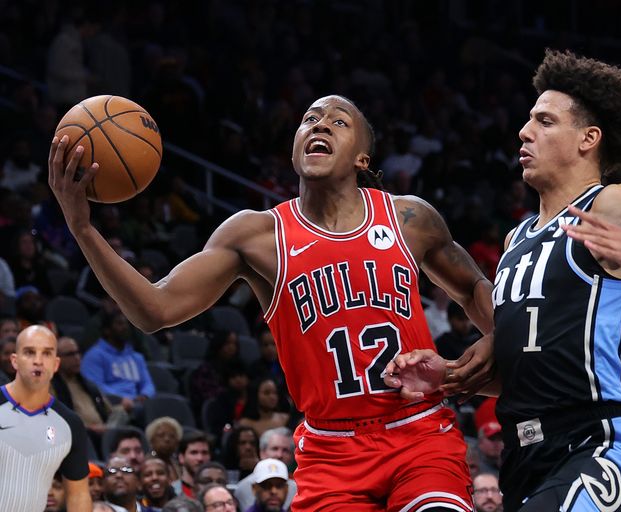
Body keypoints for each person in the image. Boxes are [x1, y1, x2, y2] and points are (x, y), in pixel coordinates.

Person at [49, 93, 494, 511]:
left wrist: (496, 340)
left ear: (362, 158)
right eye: (310, 119)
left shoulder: (408, 218)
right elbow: (155, 310)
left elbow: (475, 288)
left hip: (419, 433)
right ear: (296, 145)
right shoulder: (256, 235)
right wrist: (83, 229)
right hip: (331, 451)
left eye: (339, 121)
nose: (320, 125)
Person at [387, 49, 621, 511]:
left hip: (596, 442)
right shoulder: (517, 238)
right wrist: (453, 376)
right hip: (525, 453)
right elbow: (532, 370)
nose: (524, 131)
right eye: (530, 119)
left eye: (545, 121)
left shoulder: (613, 205)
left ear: (588, 138)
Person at [0, 325, 91, 511]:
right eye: (30, 352)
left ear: (56, 364)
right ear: (15, 361)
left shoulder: (70, 424)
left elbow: (79, 495)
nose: (38, 361)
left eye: (47, 354)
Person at [235, 427, 297, 512]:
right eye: (275, 448)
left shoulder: (296, 488)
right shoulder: (243, 487)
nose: (279, 455)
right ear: (262, 452)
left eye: (285, 450)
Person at [172, 431, 211, 498]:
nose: (200, 458)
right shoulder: (172, 492)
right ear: (181, 457)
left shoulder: (217, 490)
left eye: (204, 453)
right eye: (194, 453)